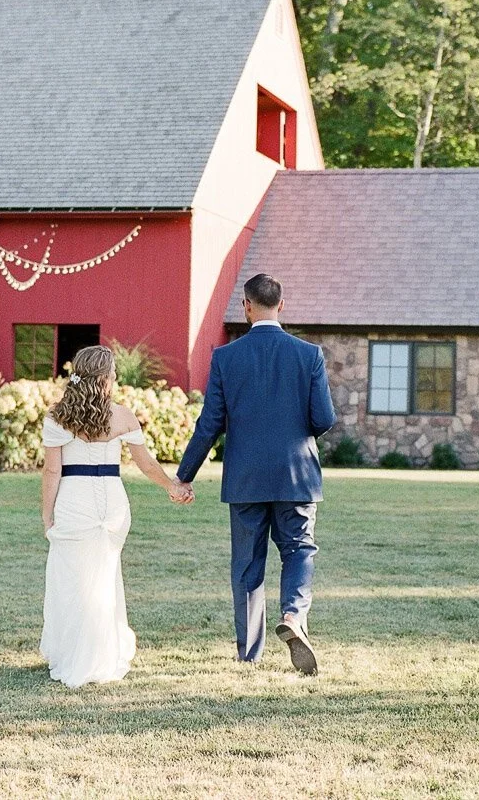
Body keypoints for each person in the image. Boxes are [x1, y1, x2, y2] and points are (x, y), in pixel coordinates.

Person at [171, 272, 337, 675]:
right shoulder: (309, 355)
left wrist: (185, 474)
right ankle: (293, 615)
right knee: (299, 548)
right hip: (297, 474)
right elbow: (324, 419)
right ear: (282, 305)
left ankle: (249, 652)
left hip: (245, 478)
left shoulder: (226, 358)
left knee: (247, 562)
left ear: (246, 306)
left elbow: (209, 424)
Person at [39, 345, 185, 688]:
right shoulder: (123, 416)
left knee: (73, 580)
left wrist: (47, 514)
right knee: (104, 577)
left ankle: (77, 654)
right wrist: (171, 486)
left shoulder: (57, 415)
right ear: (106, 377)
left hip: (74, 503)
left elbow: (52, 471)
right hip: (113, 504)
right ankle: (101, 653)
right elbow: (145, 463)